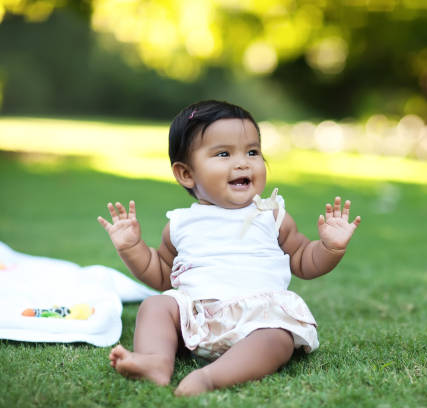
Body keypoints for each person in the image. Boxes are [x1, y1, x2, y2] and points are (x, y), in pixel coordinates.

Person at [97, 100, 361, 396]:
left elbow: (303, 260)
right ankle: (155, 361)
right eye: (224, 153)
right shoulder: (182, 224)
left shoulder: (271, 216)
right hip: (196, 317)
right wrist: (132, 247)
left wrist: (330, 248)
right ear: (186, 174)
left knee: (279, 339)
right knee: (155, 305)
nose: (243, 162)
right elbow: (161, 275)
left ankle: (211, 377)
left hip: (259, 318)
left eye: (252, 152)